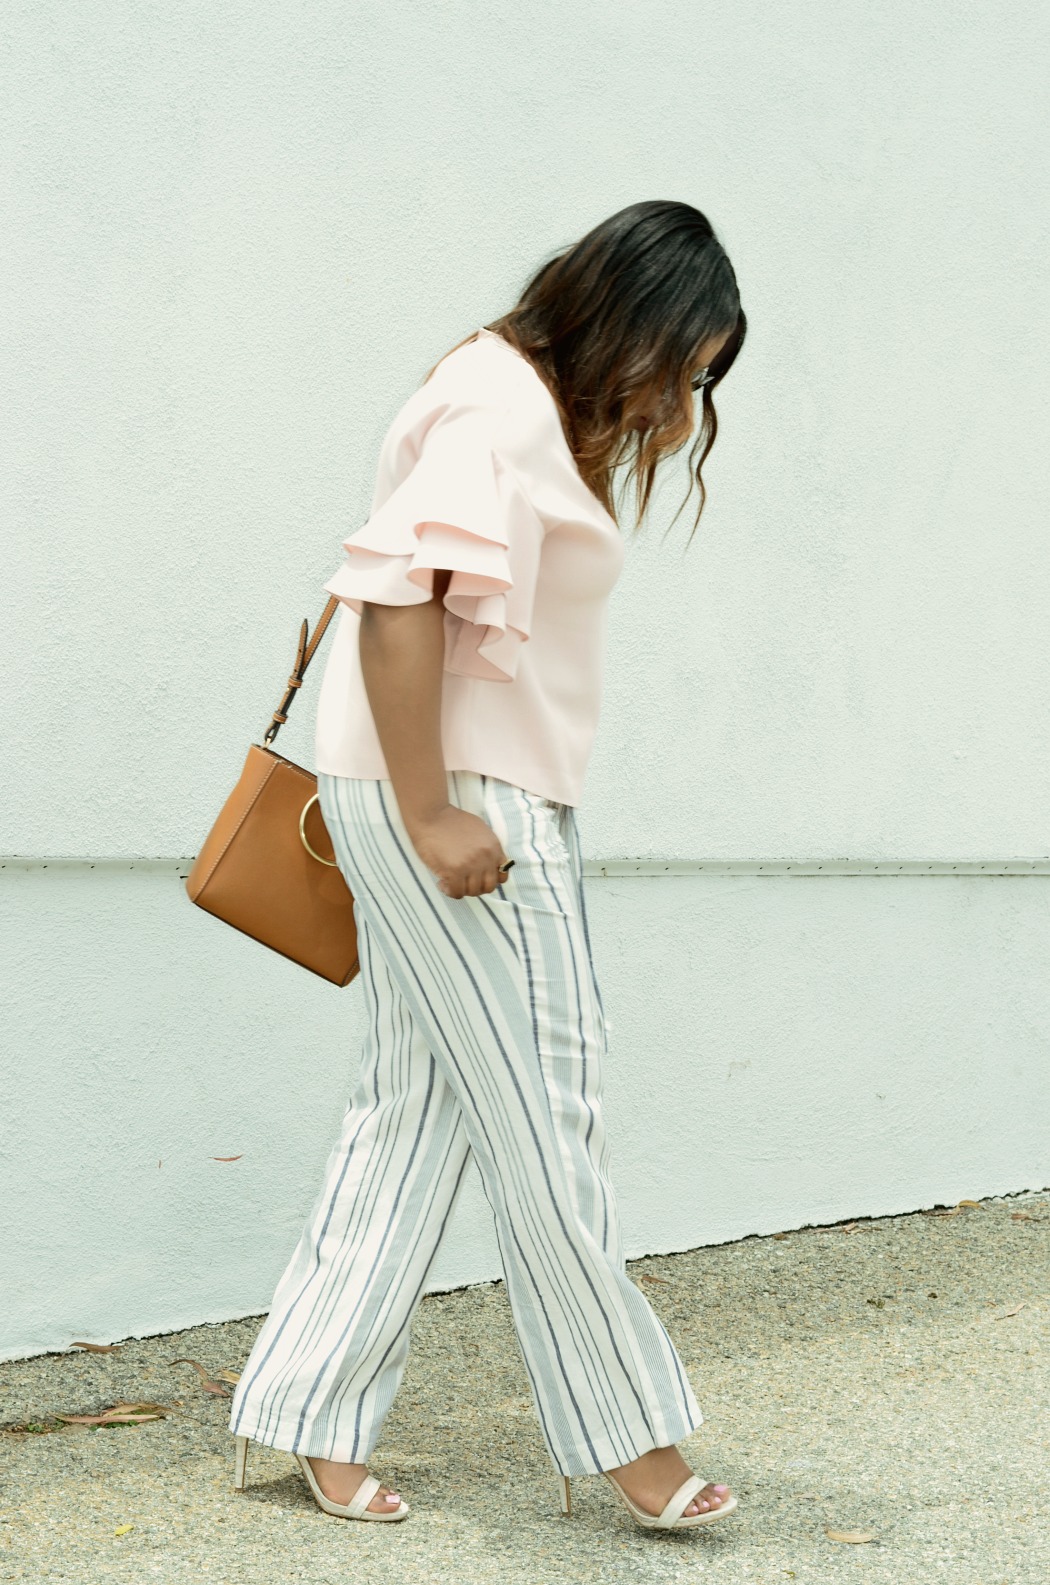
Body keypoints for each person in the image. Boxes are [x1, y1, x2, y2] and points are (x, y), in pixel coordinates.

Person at [229, 199, 747, 1532]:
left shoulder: (496, 392)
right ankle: (630, 1437)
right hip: (460, 803)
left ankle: (306, 1410)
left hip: (448, 789)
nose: (680, 405)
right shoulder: (496, 407)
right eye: (682, 365)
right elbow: (397, 602)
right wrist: (429, 811)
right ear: (624, 314)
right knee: (546, 1112)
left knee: (414, 1105)